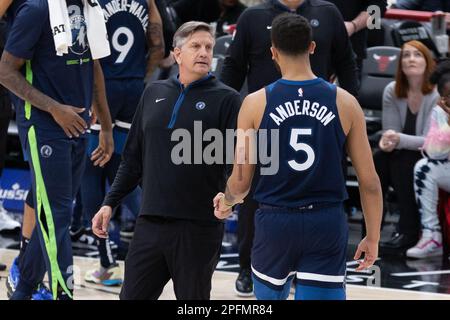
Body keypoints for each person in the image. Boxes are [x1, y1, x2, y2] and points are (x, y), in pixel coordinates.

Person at [214, 13, 382, 300]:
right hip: (326, 222)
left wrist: (227, 201)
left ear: (272, 52)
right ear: (313, 47)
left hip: (274, 222)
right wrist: (373, 237)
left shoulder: (254, 103)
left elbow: (241, 181)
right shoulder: (345, 102)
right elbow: (369, 183)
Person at [91, 21, 241, 300]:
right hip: (150, 224)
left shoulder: (228, 100)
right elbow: (132, 159)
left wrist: (230, 197)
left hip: (199, 228)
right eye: (196, 46)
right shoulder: (153, 92)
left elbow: (238, 163)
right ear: (177, 54)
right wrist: (109, 202)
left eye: (208, 47)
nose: (204, 53)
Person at [0, 0, 114, 299]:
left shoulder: (90, 10)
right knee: (57, 215)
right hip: (43, 125)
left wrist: (106, 125)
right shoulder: (36, 10)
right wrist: (54, 109)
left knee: (55, 214)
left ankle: (22, 287)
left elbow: (95, 68)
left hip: (79, 125)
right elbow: (5, 71)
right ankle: (61, 291)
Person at [78, 0, 164, 287]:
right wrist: (139, 74)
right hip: (132, 88)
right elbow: (159, 47)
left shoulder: (93, 2)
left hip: (102, 86)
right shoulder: (144, 2)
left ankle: (106, 263)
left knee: (91, 172)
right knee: (122, 171)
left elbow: (88, 54)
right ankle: (160, 247)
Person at [376, 40, 439, 253]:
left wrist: (396, 139)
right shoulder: (391, 90)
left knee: (403, 161)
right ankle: (373, 230)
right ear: (400, 63)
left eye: (417, 55)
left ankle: (408, 230)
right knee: (378, 159)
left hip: (433, 154)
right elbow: (390, 132)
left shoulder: (436, 93)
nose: (411, 59)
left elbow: (430, 141)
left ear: (428, 62)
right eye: (406, 55)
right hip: (402, 151)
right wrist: (386, 143)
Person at [407, 59, 450, 259]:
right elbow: (434, 153)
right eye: (448, 96)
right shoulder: (439, 112)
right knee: (424, 168)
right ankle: (432, 235)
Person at [325, 0, 387, 80]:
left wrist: (353, 26)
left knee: (348, 90)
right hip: (312, 47)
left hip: (350, 49)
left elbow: (379, 8)